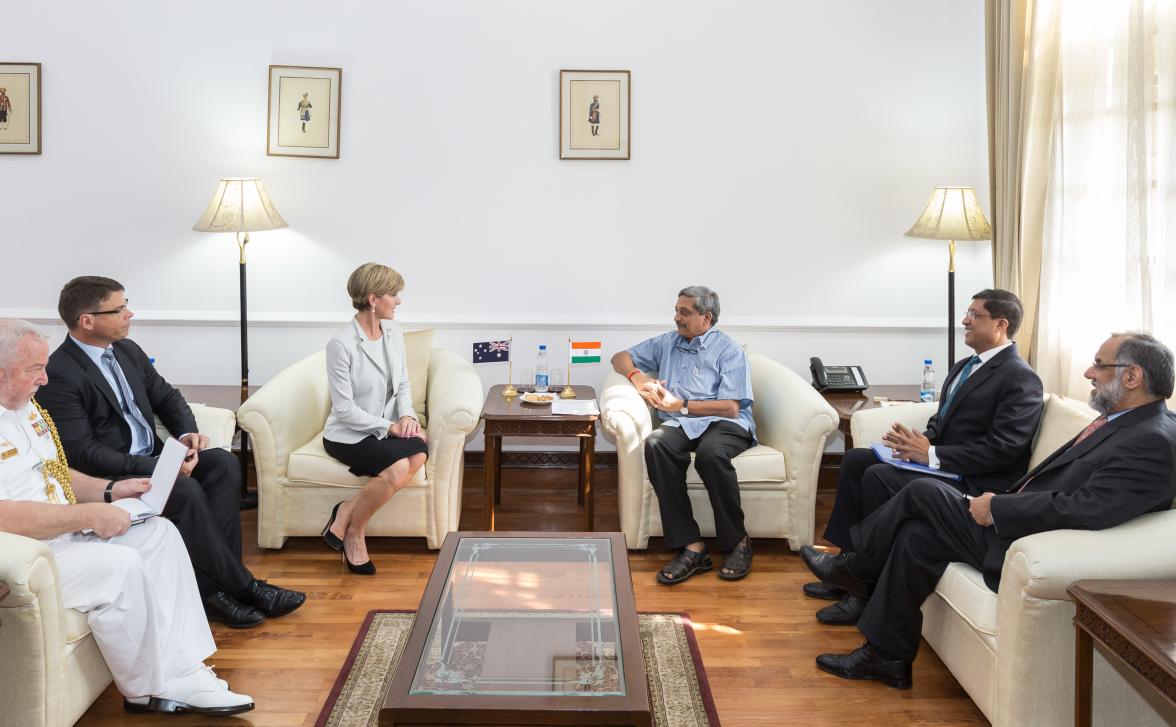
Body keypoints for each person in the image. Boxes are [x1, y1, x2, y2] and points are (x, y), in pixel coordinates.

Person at [801, 332, 1176, 689]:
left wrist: (999, 507)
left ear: (1132, 376)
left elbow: (1089, 508)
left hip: (1026, 539)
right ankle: (886, 657)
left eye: (1099, 365)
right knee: (917, 536)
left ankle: (854, 568)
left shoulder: (1151, 441)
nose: (1088, 373)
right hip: (1016, 519)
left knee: (922, 493)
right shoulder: (1126, 423)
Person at [0, 319, 254, 716]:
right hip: (29, 555)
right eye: (35, 369)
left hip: (62, 532)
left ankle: (186, 669)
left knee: (160, 534)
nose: (45, 379)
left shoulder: (24, 408)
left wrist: (111, 491)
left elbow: (56, 473)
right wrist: (87, 516)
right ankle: (150, 689)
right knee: (121, 564)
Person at [36, 276, 305, 629]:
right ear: (87, 320)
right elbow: (84, 453)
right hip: (114, 473)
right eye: (119, 309)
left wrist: (187, 434)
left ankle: (219, 591)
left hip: (154, 456)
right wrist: (161, 466)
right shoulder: (61, 373)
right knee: (185, 490)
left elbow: (167, 397)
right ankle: (240, 587)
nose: (129, 314)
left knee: (223, 464)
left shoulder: (127, 351)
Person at [806, 289, 1043, 626]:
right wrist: (919, 442)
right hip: (945, 464)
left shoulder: (1020, 377)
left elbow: (1005, 448)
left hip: (973, 480)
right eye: (967, 313)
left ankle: (860, 588)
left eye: (975, 315)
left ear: (1001, 324)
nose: (965, 320)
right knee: (858, 460)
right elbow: (942, 420)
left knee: (878, 476)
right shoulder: (965, 366)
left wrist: (931, 454)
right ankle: (845, 568)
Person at [611, 285, 755, 584]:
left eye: (684, 312)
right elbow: (620, 357)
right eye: (677, 310)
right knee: (656, 445)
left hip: (723, 423)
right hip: (681, 422)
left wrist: (682, 405)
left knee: (710, 454)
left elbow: (730, 407)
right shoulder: (669, 342)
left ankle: (738, 541)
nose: (677, 318)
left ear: (706, 317)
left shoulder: (729, 350)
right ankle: (692, 547)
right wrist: (637, 377)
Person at [320, 262, 428, 575]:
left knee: (420, 451)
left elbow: (403, 383)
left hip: (385, 428)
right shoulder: (340, 345)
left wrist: (406, 414)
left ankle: (346, 512)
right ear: (372, 299)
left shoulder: (394, 331)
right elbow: (345, 410)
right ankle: (355, 534)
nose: (398, 300)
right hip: (348, 433)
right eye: (393, 294)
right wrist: (389, 426)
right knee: (397, 467)